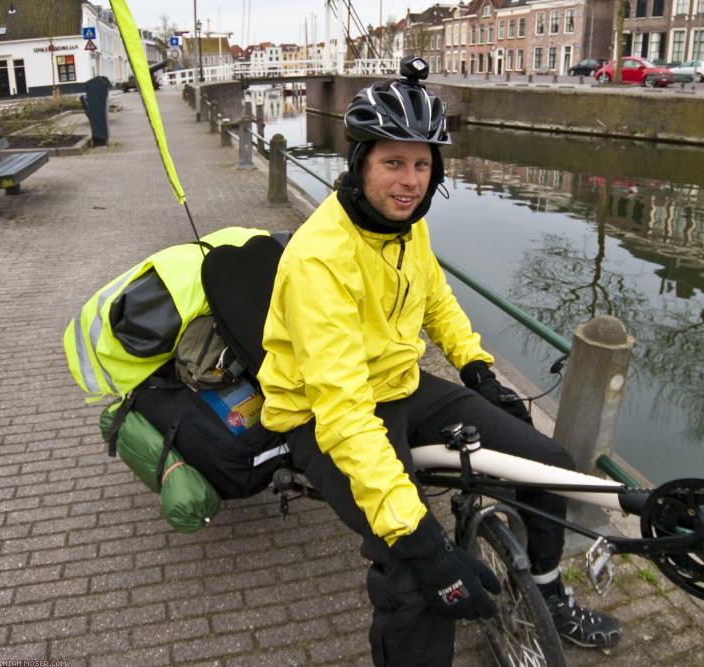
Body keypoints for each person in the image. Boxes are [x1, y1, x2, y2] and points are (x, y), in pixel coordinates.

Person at [257, 56, 620, 665]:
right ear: (360, 163)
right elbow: (344, 413)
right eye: (393, 162)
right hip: (323, 414)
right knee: (414, 577)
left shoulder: (407, 225)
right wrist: (419, 538)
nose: (409, 181)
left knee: (547, 464)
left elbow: (434, 297)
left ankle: (550, 594)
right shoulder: (318, 259)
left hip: (397, 383)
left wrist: (476, 367)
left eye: (422, 165)